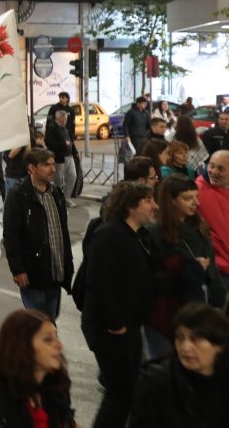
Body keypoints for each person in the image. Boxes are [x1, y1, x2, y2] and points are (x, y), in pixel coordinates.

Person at [80, 181, 158, 428]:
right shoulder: (109, 233)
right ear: (131, 206)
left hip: (128, 325)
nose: (154, 205)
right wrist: (115, 323)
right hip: (110, 329)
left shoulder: (137, 234)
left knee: (126, 392)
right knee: (118, 394)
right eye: (148, 201)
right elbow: (98, 281)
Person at [146, 174, 227, 360]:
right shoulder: (154, 233)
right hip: (165, 315)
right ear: (171, 201)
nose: (195, 203)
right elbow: (149, 279)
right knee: (164, 367)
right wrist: (190, 268)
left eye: (196, 197)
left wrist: (219, 304)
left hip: (197, 311)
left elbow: (212, 269)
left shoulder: (199, 227)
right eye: (187, 198)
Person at [0, 309, 75, 428]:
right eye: (48, 340)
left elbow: (68, 421)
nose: (59, 345)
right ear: (23, 347)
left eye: (56, 336)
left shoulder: (55, 385)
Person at [129, 302, 229, 428]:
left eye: (196, 339)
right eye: (180, 338)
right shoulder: (155, 382)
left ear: (219, 346)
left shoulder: (224, 380)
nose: (185, 347)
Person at [2, 148, 74, 320]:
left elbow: (62, 231)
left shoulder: (56, 193)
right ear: (32, 168)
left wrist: (67, 263)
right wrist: (17, 269)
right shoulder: (18, 194)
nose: (53, 169)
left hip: (55, 269)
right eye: (46, 165)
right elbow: (10, 235)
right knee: (38, 319)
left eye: (53, 164)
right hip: (33, 272)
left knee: (51, 316)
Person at [198, 150, 229, 291]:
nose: (214, 172)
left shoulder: (223, 190)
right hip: (220, 270)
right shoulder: (200, 191)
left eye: (221, 168)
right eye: (211, 166)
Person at [44, 110, 77, 207]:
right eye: (64, 118)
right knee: (58, 179)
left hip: (69, 156)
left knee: (72, 176)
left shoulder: (66, 128)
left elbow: (71, 141)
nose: (66, 120)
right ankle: (57, 198)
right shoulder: (52, 128)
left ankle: (66, 198)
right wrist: (62, 144)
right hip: (59, 158)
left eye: (66, 118)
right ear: (59, 118)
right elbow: (48, 143)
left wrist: (74, 151)